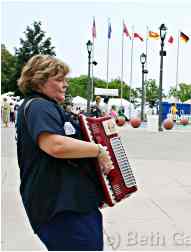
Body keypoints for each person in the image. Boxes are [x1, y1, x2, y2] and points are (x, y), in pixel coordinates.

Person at [15, 55, 113, 250]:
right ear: (39, 81)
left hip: (69, 205)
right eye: (59, 79)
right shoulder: (38, 106)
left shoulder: (43, 106)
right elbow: (55, 145)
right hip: (61, 208)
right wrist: (98, 150)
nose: (65, 84)